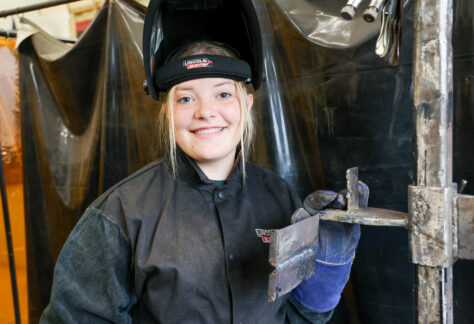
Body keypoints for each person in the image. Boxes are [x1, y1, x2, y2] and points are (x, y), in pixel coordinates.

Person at [40, 1, 365, 323]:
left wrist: (320, 288)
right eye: (185, 98)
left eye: (223, 94)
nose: (205, 111)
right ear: (167, 111)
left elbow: (297, 318)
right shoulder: (121, 214)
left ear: (246, 104)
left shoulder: (279, 196)